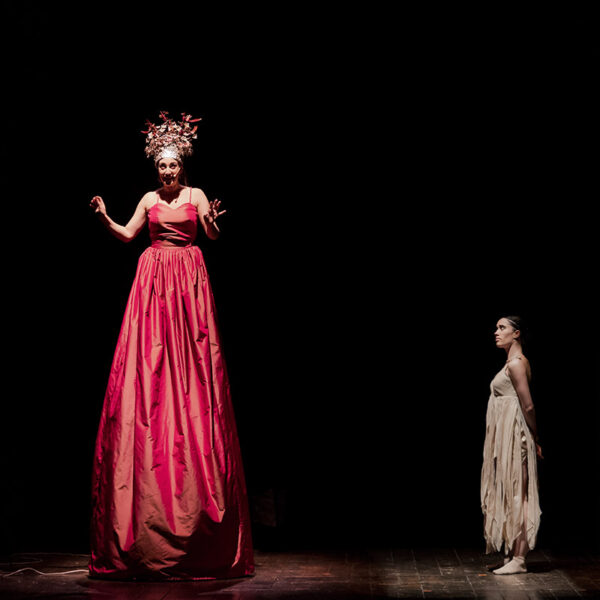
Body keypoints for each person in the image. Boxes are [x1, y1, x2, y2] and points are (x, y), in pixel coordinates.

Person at [88, 112, 254, 580]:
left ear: (182, 166)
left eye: (173, 165)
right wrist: (105, 218)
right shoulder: (148, 199)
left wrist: (213, 221)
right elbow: (128, 234)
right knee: (149, 367)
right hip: (154, 281)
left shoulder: (196, 195)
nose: (167, 171)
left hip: (188, 281)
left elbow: (213, 236)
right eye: (162, 165)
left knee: (195, 368)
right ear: (155, 167)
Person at [481, 315, 543, 575]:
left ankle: (519, 558)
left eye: (502, 327)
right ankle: (511, 554)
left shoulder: (517, 363)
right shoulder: (510, 363)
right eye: (496, 328)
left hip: (517, 437)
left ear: (516, 333)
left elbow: (527, 405)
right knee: (510, 491)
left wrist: (534, 437)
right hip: (507, 437)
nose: (496, 332)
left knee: (520, 494)